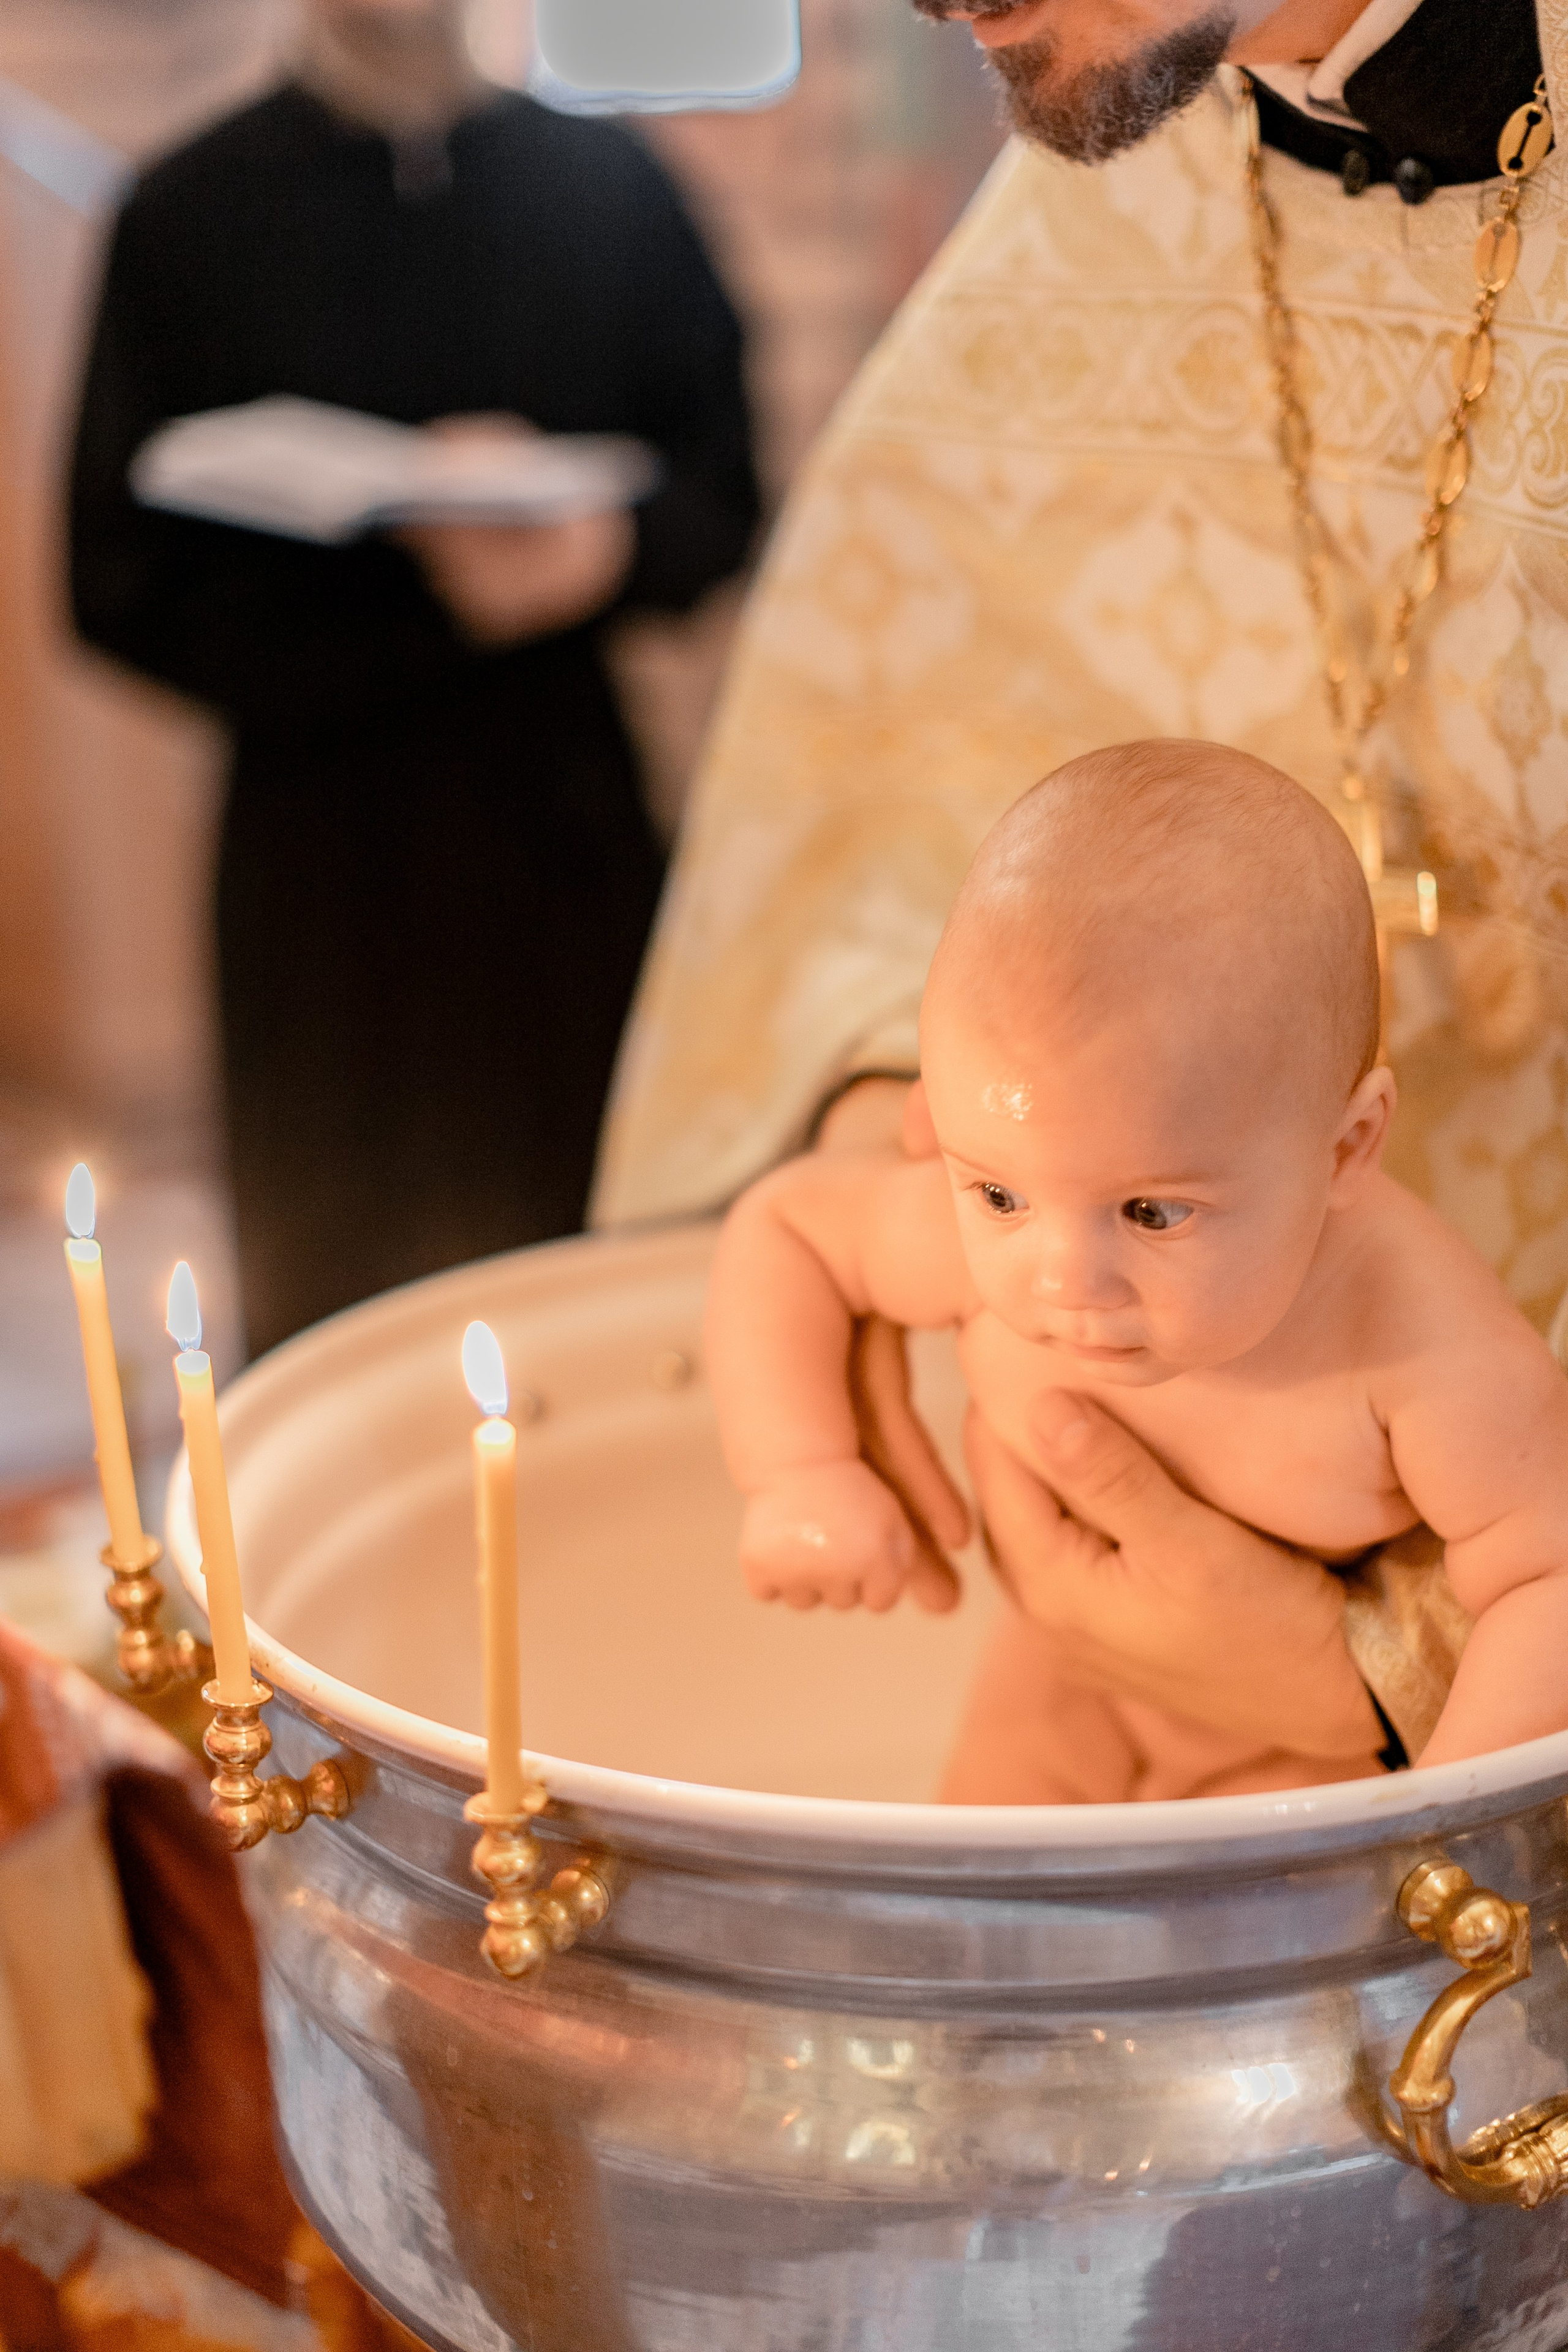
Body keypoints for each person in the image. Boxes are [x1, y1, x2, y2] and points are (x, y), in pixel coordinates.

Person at [594, 0, 1561, 1776]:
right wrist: (934, 1137)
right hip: (1067, 1639)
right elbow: (871, 824)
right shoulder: (1107, 163)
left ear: (1350, 1147)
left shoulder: (1415, 1336)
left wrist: (1391, 1688)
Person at [69, 0, 758, 1359]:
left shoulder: (612, 185)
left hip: (564, 831)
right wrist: (427, 609)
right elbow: (111, 583)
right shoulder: (188, 209)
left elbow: (725, 496)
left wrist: (599, 553)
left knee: (588, 1292)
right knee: (337, 1307)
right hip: (321, 856)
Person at [707, 743, 1568, 1798]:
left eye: (1154, 1212)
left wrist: (1441, 1807)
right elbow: (790, 1229)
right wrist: (801, 1472)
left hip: (1313, 1735)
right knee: (977, 1871)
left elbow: (1549, 1572)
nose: (1065, 1278)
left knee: (1259, 1900)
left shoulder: (1415, 1343)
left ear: (1346, 1149)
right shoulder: (1033, 1188)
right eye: (998, 1197)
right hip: (1063, 1669)